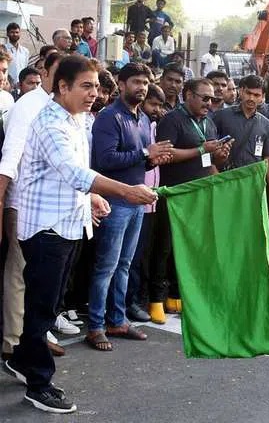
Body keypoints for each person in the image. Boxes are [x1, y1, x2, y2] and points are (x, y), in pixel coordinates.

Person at [4, 55, 158, 413]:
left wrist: (92, 197)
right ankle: (39, 384)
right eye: (86, 86)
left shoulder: (75, 119)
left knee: (49, 303)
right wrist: (125, 191)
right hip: (46, 229)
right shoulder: (49, 123)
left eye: (96, 86)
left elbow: (72, 174)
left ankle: (22, 360)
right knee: (41, 308)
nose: (94, 93)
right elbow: (74, 173)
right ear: (63, 87)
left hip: (69, 225)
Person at [86, 63, 174, 351]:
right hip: (114, 201)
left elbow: (138, 161)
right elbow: (105, 160)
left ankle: (117, 320)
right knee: (106, 267)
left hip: (137, 201)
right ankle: (96, 326)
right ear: (121, 85)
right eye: (136, 82)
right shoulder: (109, 117)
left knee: (124, 265)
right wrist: (146, 152)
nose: (142, 87)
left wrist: (152, 159)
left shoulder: (142, 118)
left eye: (145, 82)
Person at [151, 78, 231, 320]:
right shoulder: (172, 120)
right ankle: (155, 299)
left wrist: (221, 155)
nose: (209, 103)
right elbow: (166, 154)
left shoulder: (209, 122)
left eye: (212, 99)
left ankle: (176, 293)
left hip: (199, 193)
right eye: (205, 98)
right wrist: (202, 149)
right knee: (164, 247)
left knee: (187, 247)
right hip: (173, 193)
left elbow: (211, 161)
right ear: (188, 95)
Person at [0, 52, 63, 363]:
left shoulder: (59, 106)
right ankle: (13, 342)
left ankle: (34, 337)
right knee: (19, 273)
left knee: (40, 277)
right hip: (22, 202)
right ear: (45, 72)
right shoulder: (28, 105)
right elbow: (11, 156)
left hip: (52, 206)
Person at [125, 83, 166, 323]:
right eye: (153, 104)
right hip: (132, 197)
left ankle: (135, 298)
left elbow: (148, 161)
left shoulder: (151, 125)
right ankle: (126, 303)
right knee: (128, 259)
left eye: (160, 105)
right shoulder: (135, 124)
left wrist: (156, 160)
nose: (157, 109)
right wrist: (148, 156)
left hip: (150, 201)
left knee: (141, 255)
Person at [211, 75, 269, 215]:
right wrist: (216, 176)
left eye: (256, 95)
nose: (251, 98)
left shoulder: (266, 124)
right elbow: (207, 150)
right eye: (248, 93)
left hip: (252, 185)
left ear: (262, 97)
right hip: (224, 181)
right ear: (241, 91)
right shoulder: (221, 116)